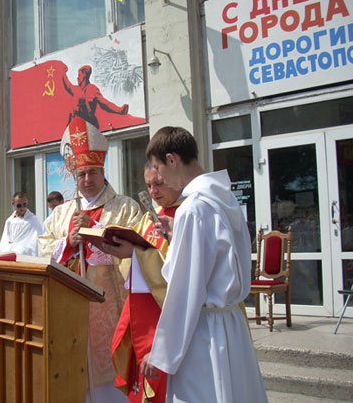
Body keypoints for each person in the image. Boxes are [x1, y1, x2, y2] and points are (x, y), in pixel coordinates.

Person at [141, 126, 267, 403]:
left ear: (173, 159)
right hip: (232, 325)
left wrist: (162, 353)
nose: (159, 177)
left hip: (206, 332)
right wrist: (179, 234)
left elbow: (186, 290)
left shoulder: (194, 207)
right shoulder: (223, 197)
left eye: (159, 168)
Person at [39, 116, 142, 403]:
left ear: (103, 171)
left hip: (110, 308)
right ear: (75, 176)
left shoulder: (125, 207)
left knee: (110, 381)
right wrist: (67, 244)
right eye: (82, 174)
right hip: (68, 308)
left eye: (93, 173)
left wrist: (95, 232)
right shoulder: (61, 213)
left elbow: (138, 252)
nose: (87, 179)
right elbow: (43, 248)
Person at [103, 162, 182, 403]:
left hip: (166, 316)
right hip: (140, 312)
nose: (153, 192)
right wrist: (123, 251)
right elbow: (131, 263)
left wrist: (135, 254)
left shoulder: (187, 214)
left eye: (158, 183)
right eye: (149, 185)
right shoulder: (148, 218)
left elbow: (180, 270)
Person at [62, 65, 129, 129]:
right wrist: (62, 72)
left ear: (84, 75)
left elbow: (105, 103)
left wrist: (119, 110)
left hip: (89, 125)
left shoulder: (92, 89)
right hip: (75, 125)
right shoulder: (76, 89)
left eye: (79, 75)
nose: (77, 78)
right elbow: (68, 86)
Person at [0, 192, 43, 257]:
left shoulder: (33, 220)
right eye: (19, 205)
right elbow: (5, 240)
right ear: (13, 204)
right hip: (9, 256)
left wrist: (22, 249)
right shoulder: (9, 221)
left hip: (25, 256)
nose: (22, 208)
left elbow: (35, 240)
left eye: (24, 205)